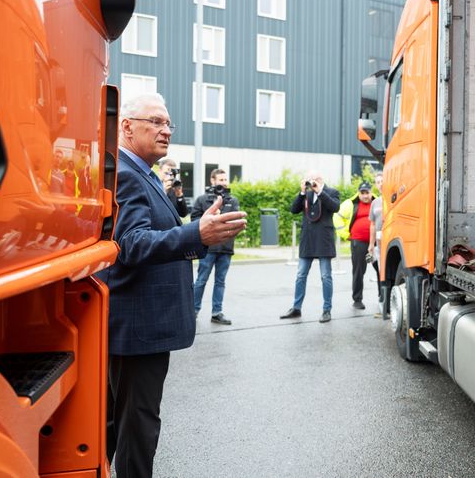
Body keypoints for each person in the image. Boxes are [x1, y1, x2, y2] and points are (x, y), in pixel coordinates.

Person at [97, 93, 246, 478]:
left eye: (169, 124)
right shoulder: (128, 175)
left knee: (118, 422)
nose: (166, 131)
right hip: (139, 326)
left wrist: (192, 232)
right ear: (127, 127)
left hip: (137, 325)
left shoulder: (139, 172)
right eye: (157, 122)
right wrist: (196, 233)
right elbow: (130, 244)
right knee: (137, 424)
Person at [280, 171, 340, 323]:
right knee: (300, 275)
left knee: (325, 276)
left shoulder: (331, 192)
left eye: (314, 179)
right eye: (309, 180)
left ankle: (327, 310)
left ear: (321, 179)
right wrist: (301, 192)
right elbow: (294, 210)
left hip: (324, 240)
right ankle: (296, 308)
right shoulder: (306, 195)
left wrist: (320, 191)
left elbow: (335, 207)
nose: (311, 182)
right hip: (308, 240)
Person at [191, 168, 239, 325]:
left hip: (225, 248)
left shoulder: (233, 200)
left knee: (220, 281)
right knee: (201, 280)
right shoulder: (202, 199)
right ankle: (193, 310)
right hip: (208, 248)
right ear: (213, 181)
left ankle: (217, 312)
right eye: (221, 180)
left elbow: (235, 220)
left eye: (226, 180)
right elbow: (195, 221)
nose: (224, 183)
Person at [343, 182, 374, 310]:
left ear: (371, 192)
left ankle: (383, 298)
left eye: (367, 193)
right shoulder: (352, 204)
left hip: (376, 242)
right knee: (359, 271)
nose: (365, 196)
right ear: (358, 193)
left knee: (381, 270)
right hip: (358, 242)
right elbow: (338, 217)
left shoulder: (377, 202)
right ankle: (357, 300)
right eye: (362, 193)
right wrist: (345, 234)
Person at [368, 172, 385, 316]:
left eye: (382, 181)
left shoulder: (393, 199)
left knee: (388, 273)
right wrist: (371, 244)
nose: (380, 184)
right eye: (378, 182)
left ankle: (388, 304)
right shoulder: (375, 202)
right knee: (380, 273)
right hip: (378, 245)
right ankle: (382, 301)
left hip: (390, 243)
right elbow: (372, 224)